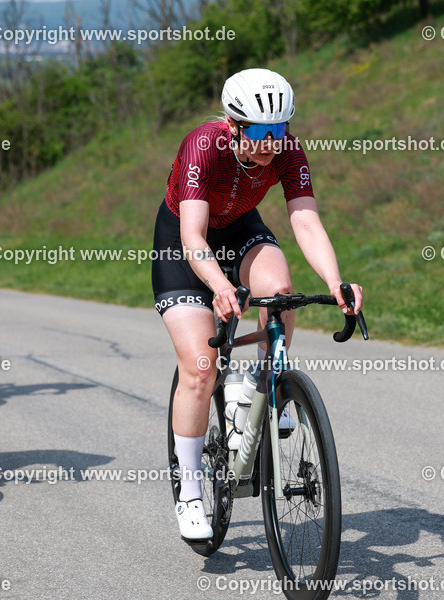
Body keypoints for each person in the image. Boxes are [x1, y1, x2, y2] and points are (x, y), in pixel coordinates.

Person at [152, 68, 364, 542]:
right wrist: (218, 284)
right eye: (261, 133)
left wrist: (335, 282)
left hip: (242, 227)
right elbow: (192, 235)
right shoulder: (203, 146)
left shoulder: (287, 152)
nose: (272, 143)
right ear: (233, 125)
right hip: (185, 243)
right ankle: (189, 490)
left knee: (282, 292)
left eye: (280, 130)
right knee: (201, 365)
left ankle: (269, 382)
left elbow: (306, 222)